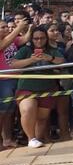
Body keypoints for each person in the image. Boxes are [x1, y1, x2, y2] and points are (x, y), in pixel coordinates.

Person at [10, 26, 65, 148]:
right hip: (27, 87)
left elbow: (61, 60)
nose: (39, 41)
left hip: (47, 88)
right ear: (32, 39)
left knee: (42, 117)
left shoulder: (51, 50)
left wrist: (49, 58)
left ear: (46, 38)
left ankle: (36, 140)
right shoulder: (25, 50)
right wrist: (31, 60)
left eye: (42, 38)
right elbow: (13, 64)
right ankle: (31, 138)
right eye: (36, 39)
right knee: (28, 109)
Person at [0, 18, 28, 147]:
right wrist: (18, 28)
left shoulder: (11, 40)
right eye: (2, 27)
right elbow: (2, 45)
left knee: (10, 111)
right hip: (3, 80)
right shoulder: (6, 41)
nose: (6, 29)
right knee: (3, 110)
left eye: (6, 27)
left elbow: (24, 39)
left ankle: (7, 139)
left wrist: (29, 27)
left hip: (14, 78)